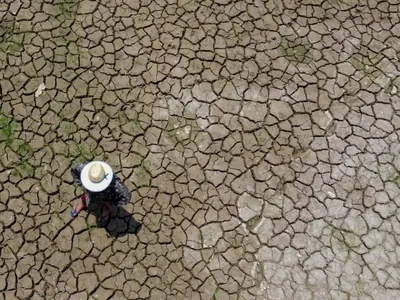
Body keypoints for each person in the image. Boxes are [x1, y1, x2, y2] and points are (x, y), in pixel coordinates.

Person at [70, 161, 131, 226]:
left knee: (106, 202)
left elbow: (126, 197)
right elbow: (74, 171)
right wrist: (84, 187)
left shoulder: (115, 184)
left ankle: (106, 207)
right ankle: (84, 200)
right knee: (88, 194)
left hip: (107, 196)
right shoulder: (83, 168)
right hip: (89, 193)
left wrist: (110, 203)